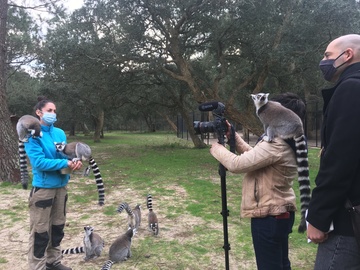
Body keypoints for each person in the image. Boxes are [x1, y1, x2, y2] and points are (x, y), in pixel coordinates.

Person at [209, 92, 306, 270]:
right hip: (279, 212)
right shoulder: (286, 141)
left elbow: (237, 164)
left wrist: (217, 148)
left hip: (268, 215)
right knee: (281, 264)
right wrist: (234, 137)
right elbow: (255, 156)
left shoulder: (277, 145)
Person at [306, 34, 360, 269]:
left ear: (347, 54)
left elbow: (340, 161)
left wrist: (318, 217)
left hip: (348, 219)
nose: (324, 61)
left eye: (328, 55)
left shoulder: (351, 89)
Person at [25, 97, 83, 270]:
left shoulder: (59, 133)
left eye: (54, 111)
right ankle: (38, 267)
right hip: (43, 190)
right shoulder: (32, 135)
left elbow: (62, 157)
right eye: (49, 110)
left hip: (61, 188)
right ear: (38, 112)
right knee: (40, 232)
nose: (53, 114)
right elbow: (39, 162)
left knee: (57, 227)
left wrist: (73, 162)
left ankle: (53, 261)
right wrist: (64, 164)